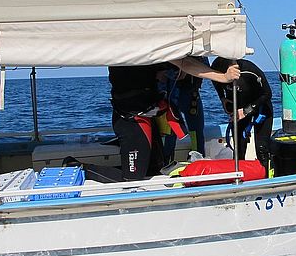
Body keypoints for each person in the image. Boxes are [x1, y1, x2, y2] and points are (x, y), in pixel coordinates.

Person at [79, 58, 239, 182]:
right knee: (132, 179)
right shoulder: (123, 49)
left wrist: (223, 77)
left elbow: (185, 64)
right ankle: (78, 168)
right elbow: (184, 64)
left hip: (149, 118)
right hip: (131, 120)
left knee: (155, 169)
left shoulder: (152, 48)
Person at [211, 57, 274, 171]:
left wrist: (246, 111)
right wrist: (223, 98)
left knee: (262, 149)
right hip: (238, 107)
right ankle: (240, 177)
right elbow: (214, 81)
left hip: (260, 106)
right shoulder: (216, 69)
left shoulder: (249, 70)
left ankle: (265, 177)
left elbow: (267, 94)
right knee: (238, 149)